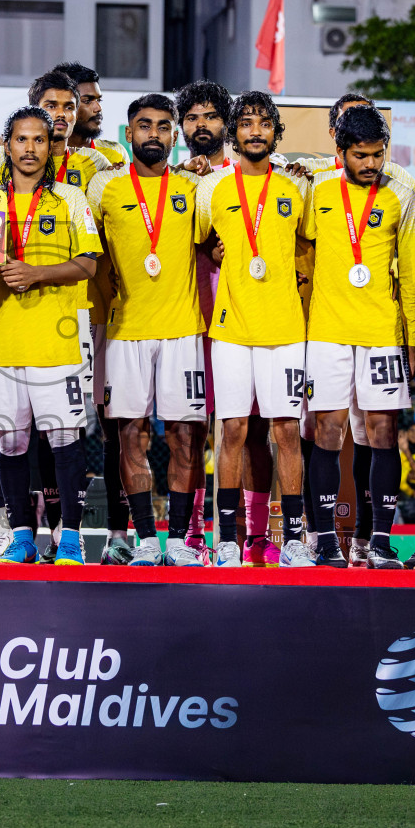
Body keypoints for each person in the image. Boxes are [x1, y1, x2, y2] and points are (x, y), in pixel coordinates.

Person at [0, 106, 103, 565]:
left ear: (52, 147)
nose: (30, 149)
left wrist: (37, 273)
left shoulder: (71, 198)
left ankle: (70, 539)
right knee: (10, 442)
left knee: (65, 441)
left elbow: (89, 262)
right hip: (4, 340)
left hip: (58, 341)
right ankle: (23, 536)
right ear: (6, 145)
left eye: (38, 140)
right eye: (21, 140)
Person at [88, 94, 209, 566]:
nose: (153, 134)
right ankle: (143, 540)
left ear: (174, 135)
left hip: (183, 330)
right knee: (129, 437)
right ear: (129, 133)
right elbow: (89, 255)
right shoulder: (105, 188)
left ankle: (177, 540)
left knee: (184, 436)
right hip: (125, 331)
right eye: (144, 125)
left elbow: (214, 242)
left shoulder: (195, 187)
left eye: (162, 126)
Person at [196, 92, 312, 567]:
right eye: (246, 123)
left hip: (285, 328)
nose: (256, 131)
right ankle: (227, 540)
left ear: (276, 134)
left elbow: (310, 243)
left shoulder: (297, 189)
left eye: (265, 123)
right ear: (234, 133)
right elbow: (199, 242)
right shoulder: (214, 189)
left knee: (286, 432)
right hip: (230, 327)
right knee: (233, 431)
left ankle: (295, 541)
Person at [303, 105, 415, 570]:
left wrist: (411, 338)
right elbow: (303, 245)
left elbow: (409, 274)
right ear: (340, 151)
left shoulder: (400, 196)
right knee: (327, 431)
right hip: (328, 331)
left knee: (383, 432)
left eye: (378, 154)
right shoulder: (319, 189)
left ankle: (380, 541)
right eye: (361, 155)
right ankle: (328, 541)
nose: (372, 164)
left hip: (380, 333)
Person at [174, 79, 239, 559]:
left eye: (211, 115)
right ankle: (193, 536)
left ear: (227, 124)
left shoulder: (249, 176)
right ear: (181, 127)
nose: (202, 124)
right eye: (193, 117)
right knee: (190, 428)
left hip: (239, 318)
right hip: (186, 318)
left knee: (240, 428)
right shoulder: (172, 179)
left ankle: (247, 537)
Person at [52, 61, 127, 165]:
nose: (98, 108)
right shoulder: (39, 155)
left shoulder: (115, 153)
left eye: (99, 100)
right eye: (87, 101)